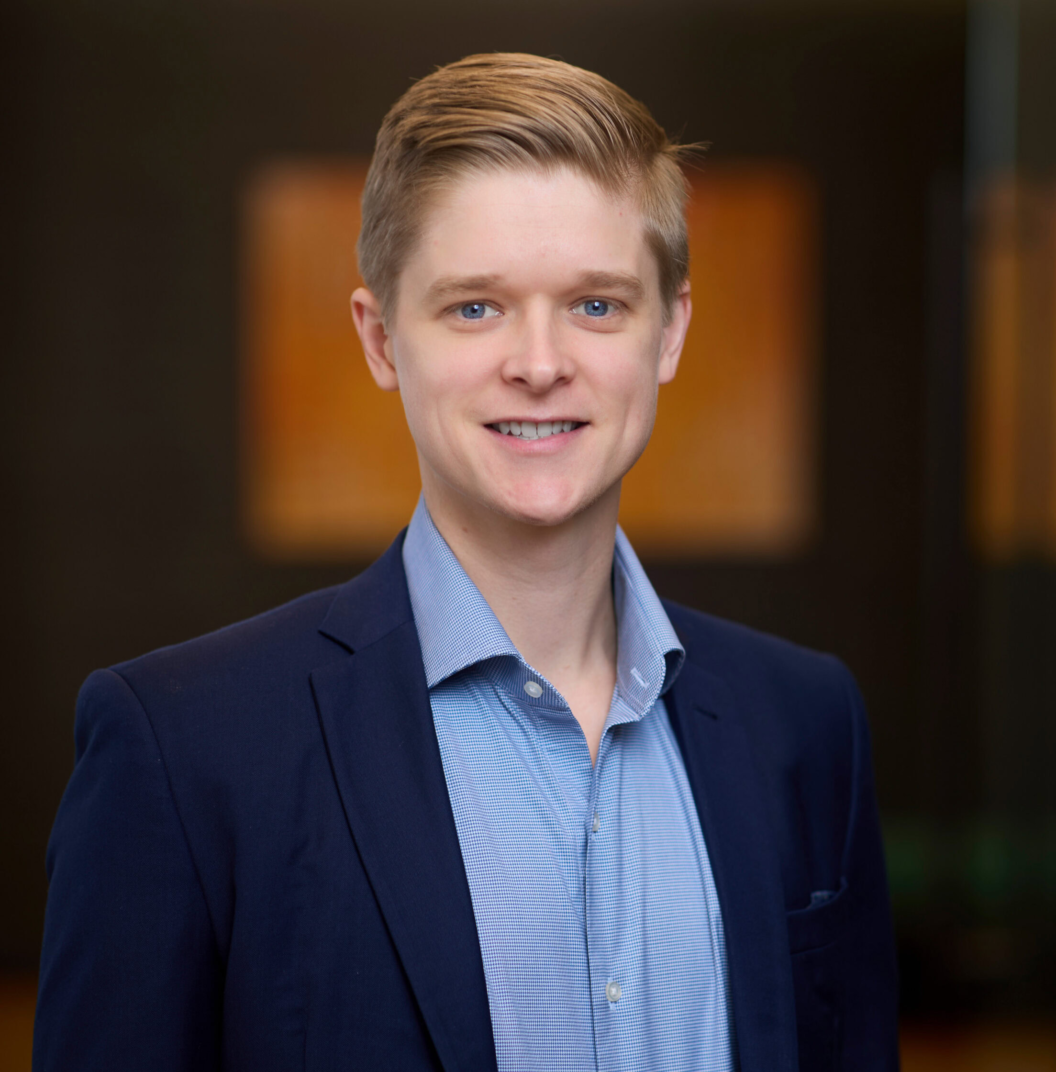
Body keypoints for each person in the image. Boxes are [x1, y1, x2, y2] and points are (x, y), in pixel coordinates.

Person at [34, 53, 899, 1071]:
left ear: (670, 333)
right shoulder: (183, 749)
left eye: (597, 305)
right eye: (476, 307)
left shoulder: (805, 723)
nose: (539, 363)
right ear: (382, 339)